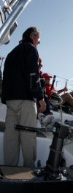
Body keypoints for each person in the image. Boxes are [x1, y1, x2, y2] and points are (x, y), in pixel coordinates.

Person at [1, 27, 46, 167]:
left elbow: (6, 78)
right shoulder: (31, 49)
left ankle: (9, 169)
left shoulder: (11, 53)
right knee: (28, 136)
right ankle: (27, 170)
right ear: (33, 36)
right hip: (25, 100)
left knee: (11, 137)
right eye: (38, 38)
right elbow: (33, 76)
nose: (39, 42)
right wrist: (40, 98)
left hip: (10, 100)